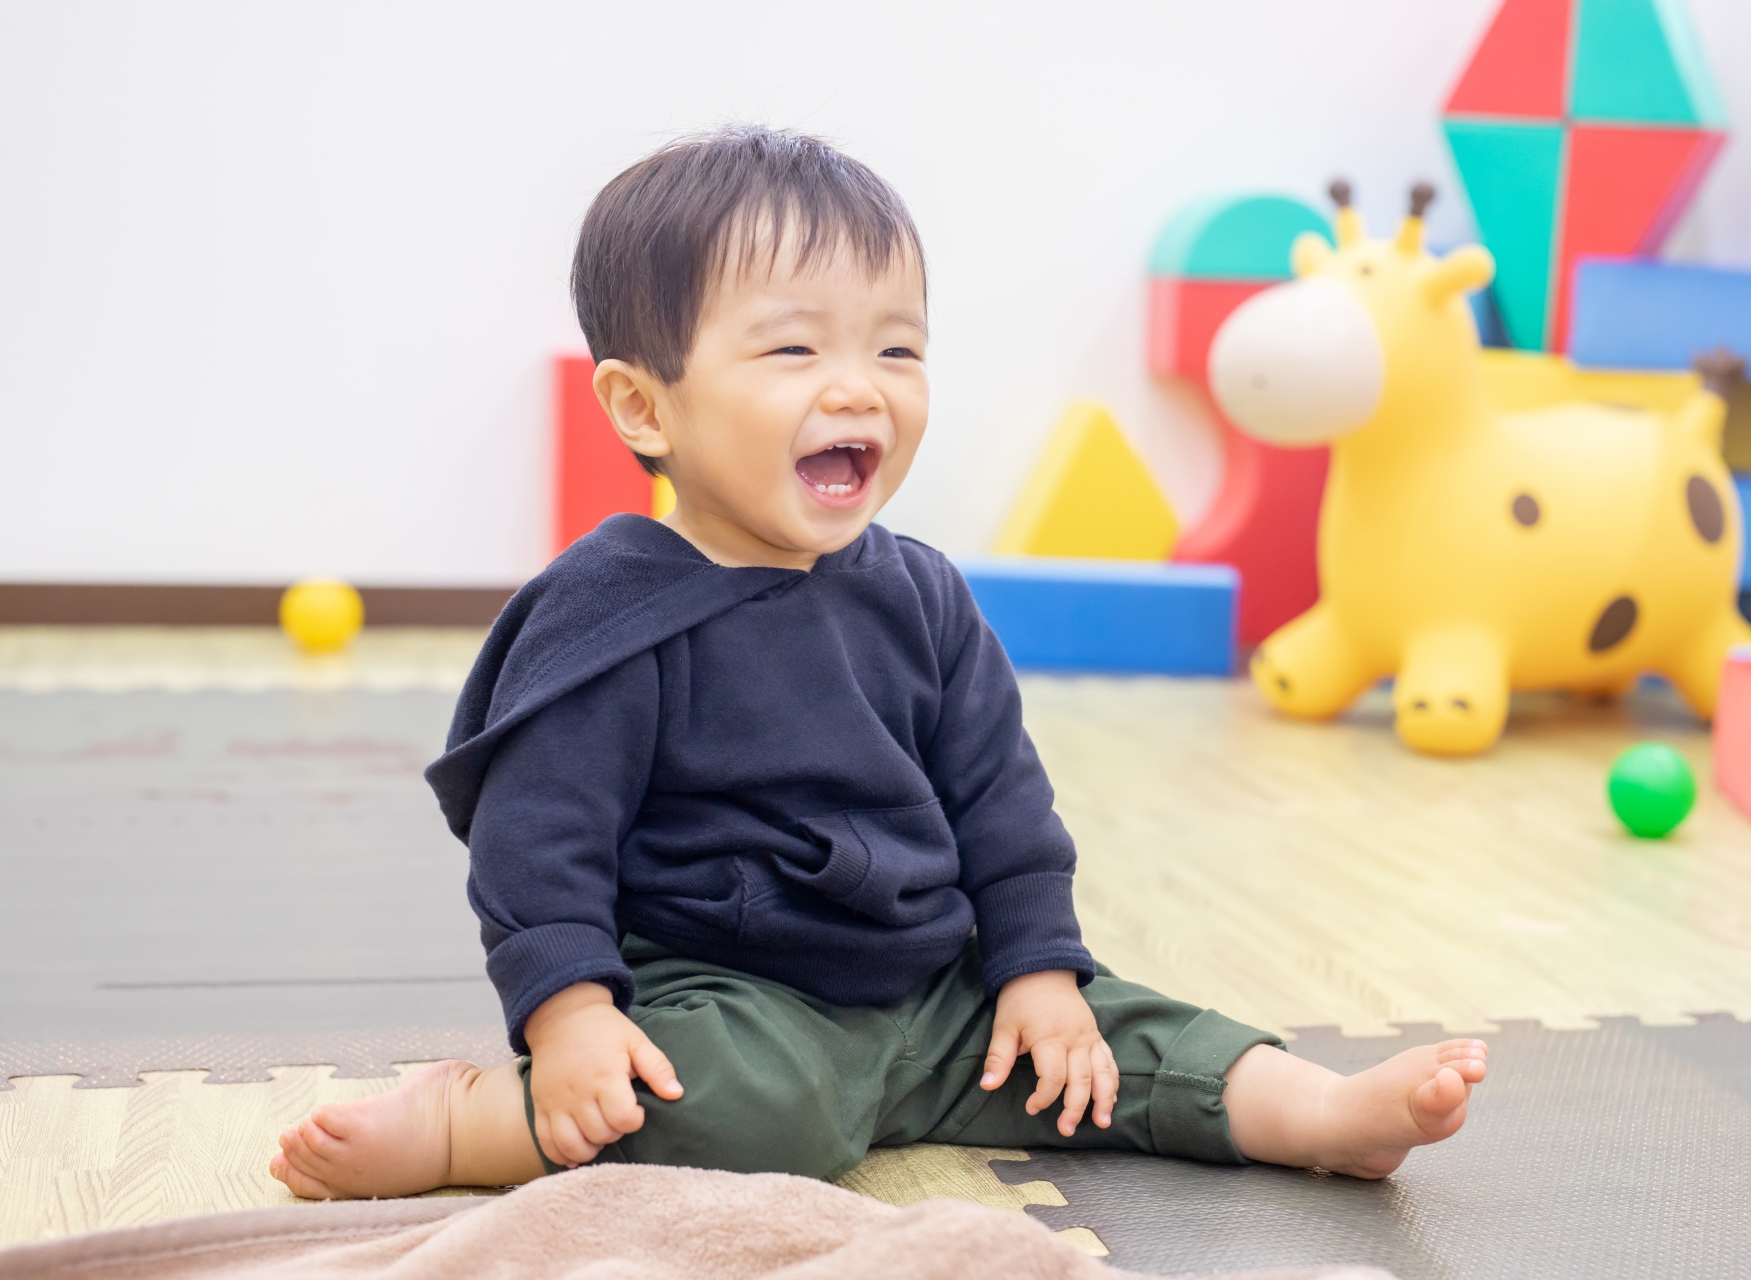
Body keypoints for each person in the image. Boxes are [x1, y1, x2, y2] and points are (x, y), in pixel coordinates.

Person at [268, 126, 1488, 1200]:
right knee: (737, 1110)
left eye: (897, 352)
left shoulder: (921, 595)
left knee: (1113, 1038)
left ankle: (1322, 1115)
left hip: (941, 989)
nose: (859, 387)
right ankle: (466, 1117)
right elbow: (540, 843)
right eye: (793, 352)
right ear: (646, 409)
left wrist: (1036, 965)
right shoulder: (614, 611)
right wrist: (573, 1014)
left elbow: (1005, 808)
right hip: (736, 994)